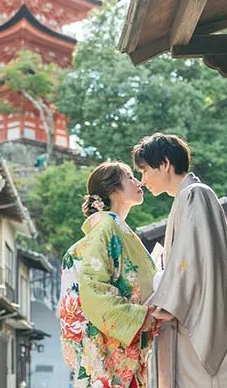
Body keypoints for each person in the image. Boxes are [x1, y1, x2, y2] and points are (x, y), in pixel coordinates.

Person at [132, 133, 227, 387]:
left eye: (144, 171)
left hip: (205, 325)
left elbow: (192, 262)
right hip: (192, 318)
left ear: (164, 164)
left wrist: (161, 296)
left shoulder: (195, 194)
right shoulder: (188, 197)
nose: (143, 181)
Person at [59, 161, 160, 388]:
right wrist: (143, 317)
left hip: (126, 347)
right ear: (113, 190)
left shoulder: (116, 229)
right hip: (111, 354)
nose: (138, 182)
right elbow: (93, 290)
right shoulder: (106, 229)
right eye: (129, 177)